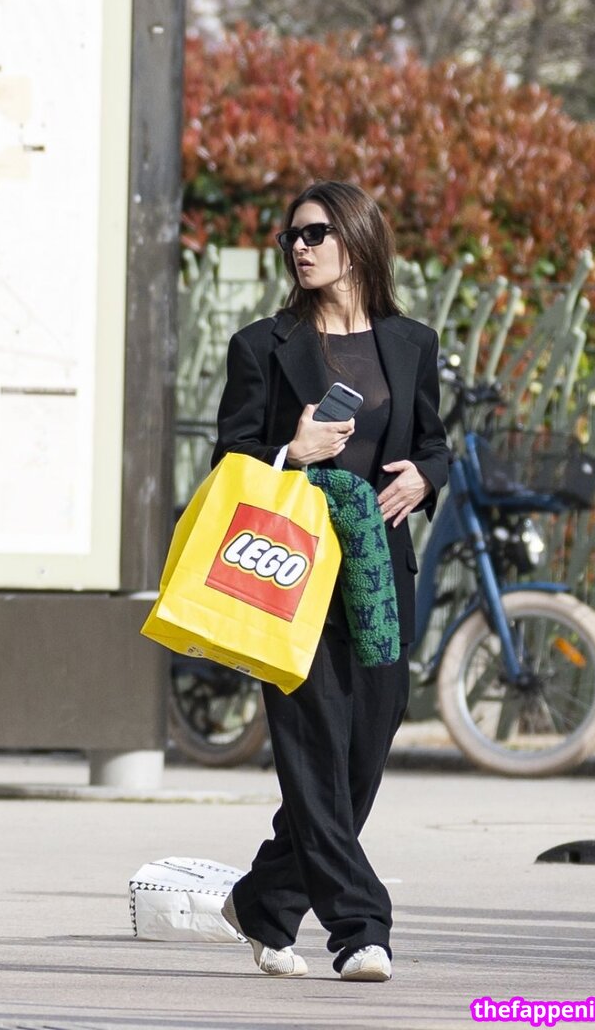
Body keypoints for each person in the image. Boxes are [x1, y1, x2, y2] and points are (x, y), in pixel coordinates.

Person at [212, 180, 450, 981]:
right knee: (314, 756)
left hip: (380, 579)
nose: (300, 248)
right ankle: (360, 928)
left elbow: (434, 442)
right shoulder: (263, 346)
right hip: (292, 576)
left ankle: (262, 903)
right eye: (292, 237)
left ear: (357, 238)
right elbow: (228, 460)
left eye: (315, 233)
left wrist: (426, 476)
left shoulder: (411, 343)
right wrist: (292, 451)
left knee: (359, 761)